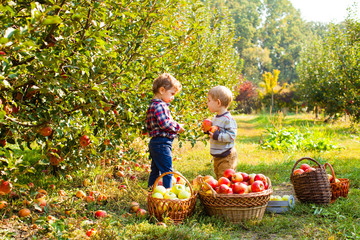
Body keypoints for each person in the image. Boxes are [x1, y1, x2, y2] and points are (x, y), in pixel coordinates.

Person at [146, 73, 185, 189]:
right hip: (162, 143)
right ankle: (168, 195)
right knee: (167, 171)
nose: (173, 97)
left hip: (155, 142)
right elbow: (165, 124)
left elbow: (150, 126)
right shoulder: (160, 106)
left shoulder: (152, 105)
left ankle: (150, 193)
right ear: (162, 90)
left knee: (155, 170)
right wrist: (178, 127)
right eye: (172, 93)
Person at [204, 86, 237, 179]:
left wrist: (218, 136)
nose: (207, 103)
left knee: (225, 180)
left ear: (218, 102)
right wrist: (207, 131)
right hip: (217, 157)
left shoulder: (228, 119)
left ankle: (226, 194)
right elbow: (215, 132)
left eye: (209, 100)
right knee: (219, 179)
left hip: (226, 156)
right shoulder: (215, 118)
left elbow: (232, 136)